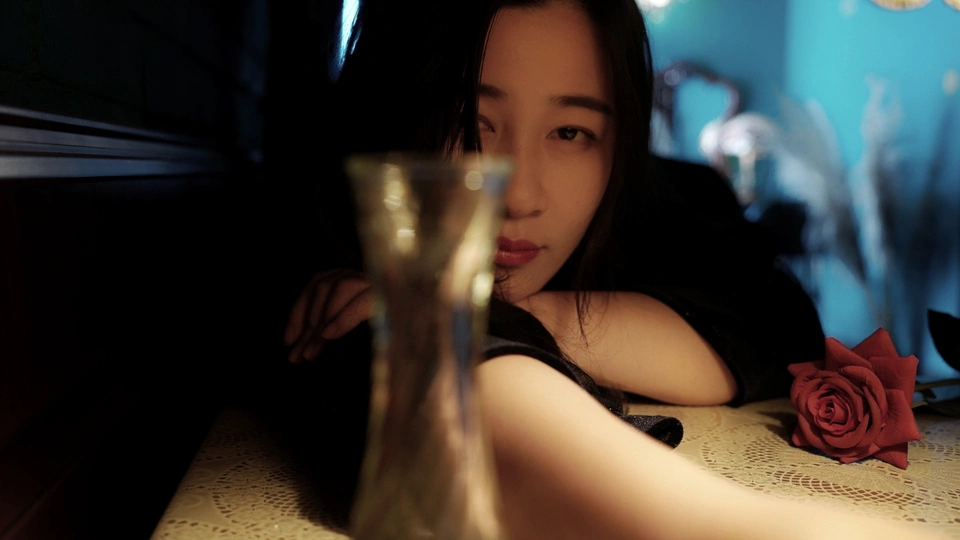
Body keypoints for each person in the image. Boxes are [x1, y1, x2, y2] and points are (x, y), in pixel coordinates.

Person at [275, 1, 944, 538]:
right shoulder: (318, 250)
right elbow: (452, 386)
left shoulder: (665, 202)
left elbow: (773, 328)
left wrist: (516, 313)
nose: (521, 194)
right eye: (469, 123)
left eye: (571, 132)